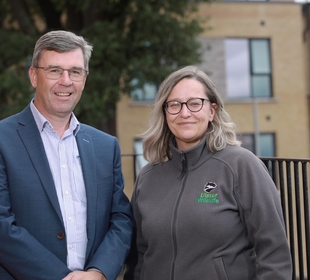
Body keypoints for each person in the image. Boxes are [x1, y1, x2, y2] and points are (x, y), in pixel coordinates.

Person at [0, 30, 134, 280]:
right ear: (34, 76)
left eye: (75, 72)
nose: (66, 81)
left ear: (85, 78)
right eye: (55, 71)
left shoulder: (105, 145)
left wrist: (99, 272)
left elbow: (121, 218)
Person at [124, 66, 292, 279]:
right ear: (165, 113)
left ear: (212, 111)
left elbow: (273, 250)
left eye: (195, 103)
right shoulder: (148, 177)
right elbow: (138, 256)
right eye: (174, 105)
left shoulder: (241, 165)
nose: (185, 113)